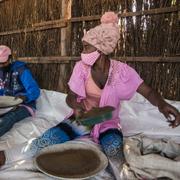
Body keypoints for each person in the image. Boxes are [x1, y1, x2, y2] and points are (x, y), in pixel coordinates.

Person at [0, 12, 179, 169]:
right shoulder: (81, 68)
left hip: (108, 121)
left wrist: (162, 105)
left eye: (86, 47)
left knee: (114, 151)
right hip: (82, 118)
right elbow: (71, 96)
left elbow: (147, 91)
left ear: (101, 49)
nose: (82, 51)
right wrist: (77, 107)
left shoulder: (122, 72)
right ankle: (6, 156)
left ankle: (127, 174)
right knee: (48, 139)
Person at [0, 45, 40, 137]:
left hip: (24, 105)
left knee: (7, 120)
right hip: (5, 106)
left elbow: (35, 91)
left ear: (10, 59)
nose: (1, 65)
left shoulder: (21, 70)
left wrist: (25, 96)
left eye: (3, 62)